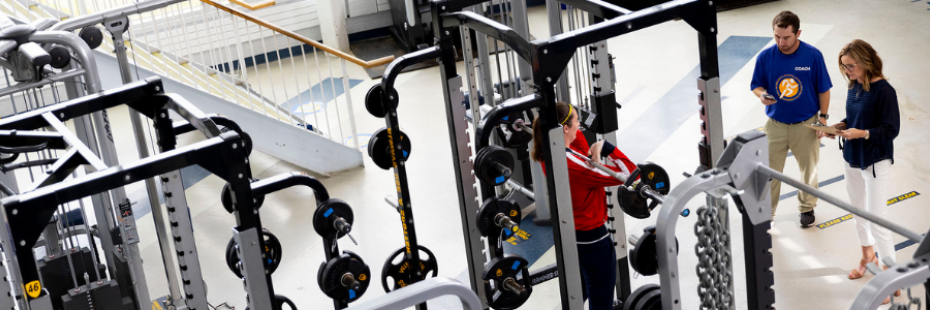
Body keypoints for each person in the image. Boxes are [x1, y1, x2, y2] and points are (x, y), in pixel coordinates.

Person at [531, 101, 638, 310]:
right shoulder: (574, 165)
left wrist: (567, 125)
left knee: (574, 296)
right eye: (576, 122)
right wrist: (608, 148)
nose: (580, 126)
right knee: (601, 301)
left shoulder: (550, 153)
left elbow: (579, 146)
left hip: (570, 237)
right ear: (564, 128)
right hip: (593, 242)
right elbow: (631, 175)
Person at [826, 40, 900, 303]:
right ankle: (867, 255)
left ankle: (891, 277)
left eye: (850, 66)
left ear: (865, 61)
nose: (847, 71)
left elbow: (891, 130)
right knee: (858, 212)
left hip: (875, 160)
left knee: (877, 218)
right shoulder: (854, 86)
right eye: (844, 67)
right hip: (851, 156)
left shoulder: (884, 91)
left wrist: (864, 133)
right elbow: (853, 119)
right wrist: (838, 127)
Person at [750, 10, 832, 227]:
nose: (781, 42)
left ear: (798, 33)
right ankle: (768, 214)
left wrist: (823, 119)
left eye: (786, 37)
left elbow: (824, 90)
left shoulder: (812, 56)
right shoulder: (766, 57)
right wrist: (762, 95)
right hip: (775, 126)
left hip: (806, 124)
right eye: (777, 36)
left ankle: (807, 208)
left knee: (809, 170)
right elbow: (756, 86)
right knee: (769, 173)